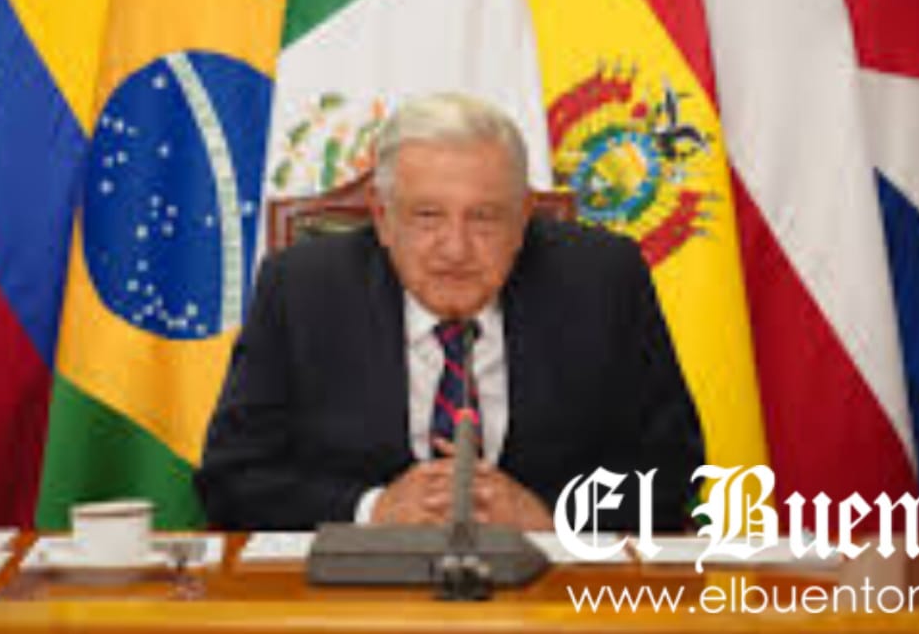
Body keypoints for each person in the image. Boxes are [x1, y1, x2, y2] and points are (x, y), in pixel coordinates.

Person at [197, 93, 704, 532]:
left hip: (550, 587)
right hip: (355, 590)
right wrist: (373, 509)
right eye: (427, 216)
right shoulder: (302, 288)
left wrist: (550, 515)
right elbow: (232, 476)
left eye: (484, 218)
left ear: (523, 218)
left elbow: (673, 469)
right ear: (382, 217)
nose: (455, 249)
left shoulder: (602, 280)